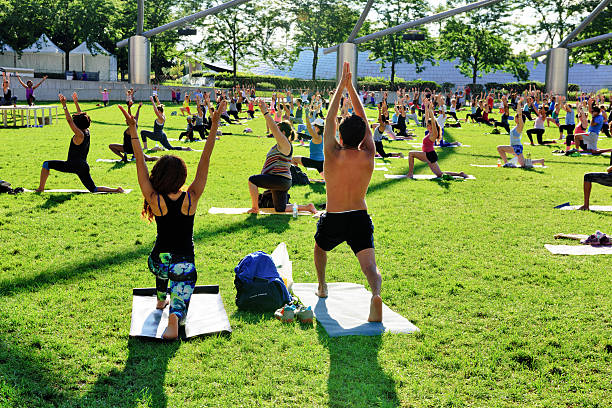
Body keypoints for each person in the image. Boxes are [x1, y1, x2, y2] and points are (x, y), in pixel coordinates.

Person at [118, 99, 224, 340]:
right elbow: (205, 160)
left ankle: (159, 299)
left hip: (158, 262)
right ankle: (174, 316)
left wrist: (134, 130)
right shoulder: (192, 198)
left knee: (164, 266)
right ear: (182, 177)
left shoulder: (155, 199)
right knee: (183, 277)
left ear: (160, 177)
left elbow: (141, 165)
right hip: (183, 265)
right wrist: (214, 125)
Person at [314, 63, 382, 322]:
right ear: (363, 135)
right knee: (370, 268)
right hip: (360, 217)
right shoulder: (368, 155)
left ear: (340, 137)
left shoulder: (332, 155)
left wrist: (340, 88)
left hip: (335, 217)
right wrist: (351, 89)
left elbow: (330, 119)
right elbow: (364, 122)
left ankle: (322, 286)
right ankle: (375, 293)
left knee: (320, 250)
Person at [36, 93, 124, 193]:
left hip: (72, 165)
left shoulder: (79, 135)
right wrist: (76, 103)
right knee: (93, 189)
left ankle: (40, 188)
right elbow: (82, 117)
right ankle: (117, 190)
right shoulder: (86, 131)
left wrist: (64, 106)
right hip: (83, 166)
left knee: (46, 164)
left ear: (77, 124)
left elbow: (69, 121)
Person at [247, 99, 316, 214]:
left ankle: (255, 208)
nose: (276, 133)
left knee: (252, 181)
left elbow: (273, 129)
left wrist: (265, 112)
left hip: (280, 179)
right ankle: (307, 207)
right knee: (280, 208)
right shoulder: (280, 145)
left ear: (283, 133)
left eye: (279, 131)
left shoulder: (285, 144)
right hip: (282, 181)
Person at [406, 99, 468, 179]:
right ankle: (460, 174)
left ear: (431, 126)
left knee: (411, 154)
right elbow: (426, 118)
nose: (427, 126)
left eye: (428, 125)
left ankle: (410, 173)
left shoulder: (434, 134)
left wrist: (431, 112)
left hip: (429, 155)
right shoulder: (429, 132)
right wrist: (426, 107)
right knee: (440, 174)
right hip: (429, 155)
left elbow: (433, 123)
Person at [496, 99, 545, 168]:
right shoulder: (517, 126)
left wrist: (519, 103)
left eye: (516, 117)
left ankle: (507, 163)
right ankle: (540, 161)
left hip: (516, 147)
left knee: (499, 148)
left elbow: (520, 114)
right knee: (523, 164)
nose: (515, 118)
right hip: (516, 147)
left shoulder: (520, 126)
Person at [291, 111, 324, 177]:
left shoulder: (317, 137)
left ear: (317, 127)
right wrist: (299, 134)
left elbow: (309, 128)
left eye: (314, 126)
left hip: (314, 162)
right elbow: (308, 137)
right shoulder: (320, 136)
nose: (313, 127)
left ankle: (296, 176)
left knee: (293, 159)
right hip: (321, 161)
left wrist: (306, 116)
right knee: (326, 179)